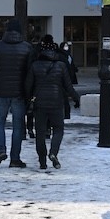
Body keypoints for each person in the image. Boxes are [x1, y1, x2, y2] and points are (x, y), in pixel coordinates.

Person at [0, 18, 35, 168]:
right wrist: (31, 94)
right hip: (19, 93)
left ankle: (1, 150)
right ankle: (15, 158)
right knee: (18, 125)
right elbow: (31, 74)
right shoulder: (27, 48)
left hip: (1, 91)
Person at [26, 38, 80, 170]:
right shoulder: (61, 65)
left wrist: (28, 100)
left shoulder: (35, 65)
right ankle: (53, 152)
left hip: (40, 103)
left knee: (40, 133)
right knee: (58, 129)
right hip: (56, 102)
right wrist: (76, 99)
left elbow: (28, 86)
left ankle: (42, 161)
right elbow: (68, 86)